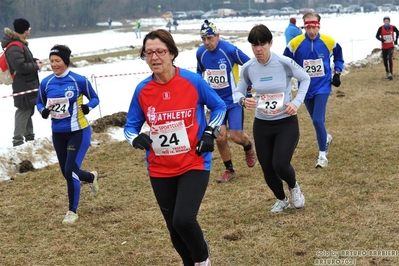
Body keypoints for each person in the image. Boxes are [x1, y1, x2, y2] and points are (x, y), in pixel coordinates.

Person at [124, 29, 226, 266]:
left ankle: (203, 260)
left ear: (171, 53)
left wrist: (210, 132)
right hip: (160, 167)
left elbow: (219, 107)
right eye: (148, 53)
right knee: (173, 229)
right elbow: (130, 126)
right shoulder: (142, 90)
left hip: (194, 161)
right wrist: (135, 138)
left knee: (183, 219)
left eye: (160, 51)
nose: (154, 57)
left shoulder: (193, 81)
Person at [233, 24, 310, 213]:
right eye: (254, 46)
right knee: (267, 167)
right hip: (262, 123)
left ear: (270, 43)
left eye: (262, 45)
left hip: (285, 121)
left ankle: (294, 187)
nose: (258, 50)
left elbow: (305, 78)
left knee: (280, 164)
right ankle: (281, 199)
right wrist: (244, 101)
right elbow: (237, 92)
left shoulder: (283, 62)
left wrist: (297, 102)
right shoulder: (249, 67)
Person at [36, 45, 100, 224]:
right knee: (67, 172)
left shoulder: (79, 80)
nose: (54, 65)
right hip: (58, 133)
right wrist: (43, 111)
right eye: (51, 61)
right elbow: (39, 103)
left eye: (57, 61)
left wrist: (88, 107)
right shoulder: (46, 82)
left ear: (65, 61)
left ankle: (72, 211)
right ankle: (90, 177)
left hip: (78, 131)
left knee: (70, 169)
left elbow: (95, 98)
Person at [196, 19, 256, 183]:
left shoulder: (229, 50)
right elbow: (199, 74)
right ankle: (229, 169)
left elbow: (250, 64)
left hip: (234, 101)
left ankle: (248, 146)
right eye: (204, 39)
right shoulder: (200, 53)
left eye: (210, 38)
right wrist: (200, 95)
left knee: (236, 137)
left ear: (217, 36)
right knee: (220, 137)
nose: (207, 42)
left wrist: (248, 88)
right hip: (216, 104)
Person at [283, 12, 344, 168]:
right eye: (308, 27)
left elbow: (338, 56)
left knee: (317, 120)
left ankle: (322, 156)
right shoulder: (295, 44)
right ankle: (326, 138)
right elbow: (285, 63)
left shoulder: (329, 41)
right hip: (305, 88)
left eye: (314, 27)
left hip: (323, 86)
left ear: (319, 26)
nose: (311, 31)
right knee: (318, 121)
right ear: (304, 26)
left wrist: (337, 71)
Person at [1, 18, 43, 147]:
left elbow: (22, 61)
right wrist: (36, 66)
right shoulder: (15, 46)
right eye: (29, 29)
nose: (29, 31)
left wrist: (34, 61)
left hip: (27, 83)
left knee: (28, 110)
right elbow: (20, 66)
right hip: (23, 84)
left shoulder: (19, 43)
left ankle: (29, 138)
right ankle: (18, 141)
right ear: (25, 31)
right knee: (23, 111)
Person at [375, 16, 399, 80]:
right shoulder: (381, 28)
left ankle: (391, 73)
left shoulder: (393, 27)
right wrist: (381, 39)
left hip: (391, 46)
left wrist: (396, 39)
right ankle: (387, 72)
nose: (386, 22)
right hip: (384, 47)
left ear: (389, 21)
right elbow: (377, 36)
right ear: (383, 22)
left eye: (387, 21)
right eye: (385, 21)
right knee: (385, 60)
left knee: (390, 58)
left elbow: (397, 32)